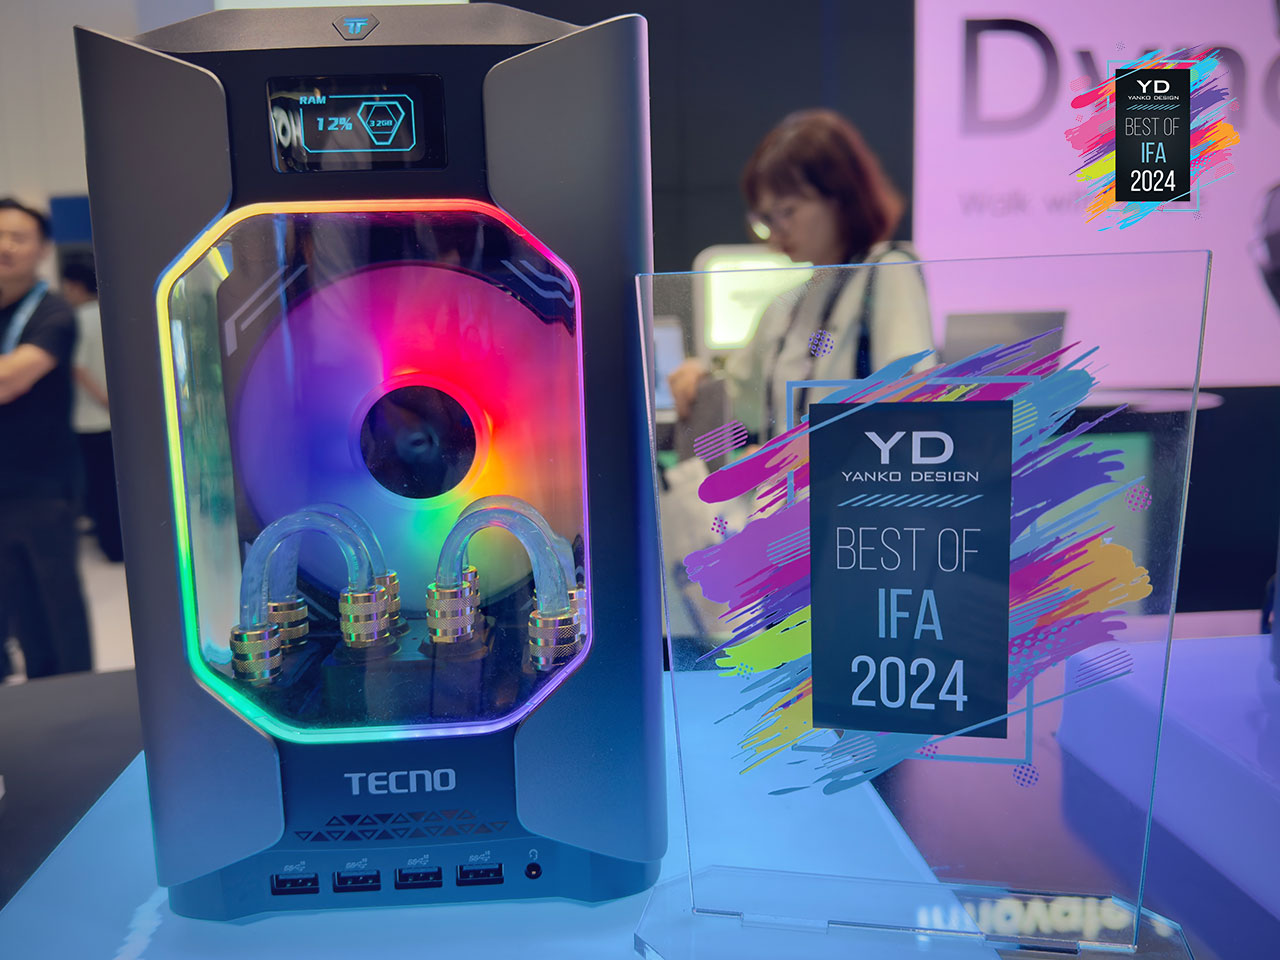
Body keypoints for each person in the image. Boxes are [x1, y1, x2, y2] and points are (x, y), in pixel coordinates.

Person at [669, 109, 934, 439]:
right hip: (797, 472)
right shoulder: (790, 303)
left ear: (840, 197)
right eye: (767, 218)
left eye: (787, 211)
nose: (776, 230)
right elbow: (743, 398)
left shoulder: (887, 271)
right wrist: (701, 376)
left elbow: (910, 397)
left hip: (857, 470)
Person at [0, 198, 93, 678]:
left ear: (41, 248)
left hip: (44, 484)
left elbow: (9, 380)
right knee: (19, 608)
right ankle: (42, 700)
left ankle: (79, 700)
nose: (5, 246)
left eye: (18, 237)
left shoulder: (53, 311)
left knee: (58, 605)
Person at [62, 259, 123, 563]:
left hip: (89, 420)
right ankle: (124, 545)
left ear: (75, 286)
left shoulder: (76, 319)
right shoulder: (111, 314)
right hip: (118, 422)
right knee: (119, 485)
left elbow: (77, 367)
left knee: (99, 487)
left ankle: (111, 546)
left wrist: (103, 399)